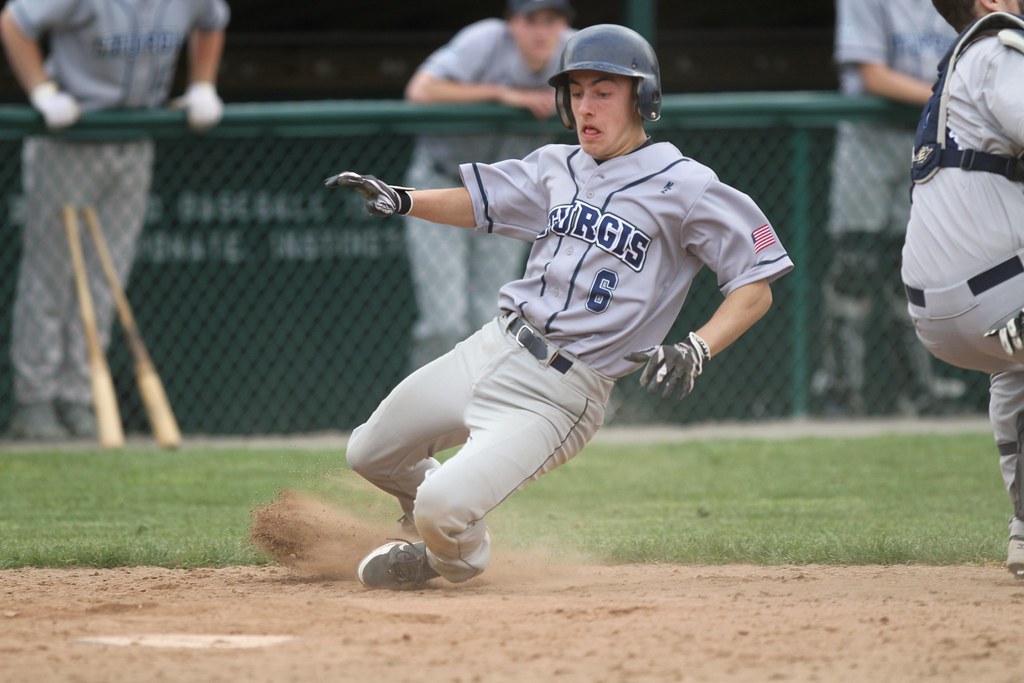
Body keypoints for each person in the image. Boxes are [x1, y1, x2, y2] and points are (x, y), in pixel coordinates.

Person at [323, 24, 795, 591]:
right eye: (575, 92)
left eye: (604, 91)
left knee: (441, 508)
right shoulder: (557, 165)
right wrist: (404, 200)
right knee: (369, 452)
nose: (585, 106)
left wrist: (698, 346)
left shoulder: (687, 186)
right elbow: (478, 203)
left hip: (561, 392)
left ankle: (450, 554)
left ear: (642, 98)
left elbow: (757, 282)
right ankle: (440, 508)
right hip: (494, 346)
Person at [0, 0, 230, 440]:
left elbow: (213, 21)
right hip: (70, 137)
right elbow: (14, 22)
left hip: (136, 139)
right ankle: (36, 401)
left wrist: (203, 84)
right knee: (51, 276)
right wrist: (43, 91)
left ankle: (80, 397)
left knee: (106, 276)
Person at [901, 0, 1024, 575]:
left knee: (1015, 369)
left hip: (942, 312)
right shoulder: (999, 48)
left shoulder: (955, 65)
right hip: (994, 296)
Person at [402, 0, 575, 370]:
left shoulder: (573, 50)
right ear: (512, 23)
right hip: (442, 183)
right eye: (532, 20)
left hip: (505, 195)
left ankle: (479, 412)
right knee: (444, 321)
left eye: (552, 20)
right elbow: (420, 90)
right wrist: (500, 94)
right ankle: (424, 417)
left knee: (491, 317)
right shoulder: (485, 40)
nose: (542, 31)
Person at [812, 0, 962, 416]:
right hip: (870, 141)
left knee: (914, 273)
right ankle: (841, 394)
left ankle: (920, 393)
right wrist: (948, 96)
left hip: (927, 141)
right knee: (855, 266)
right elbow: (872, 75)